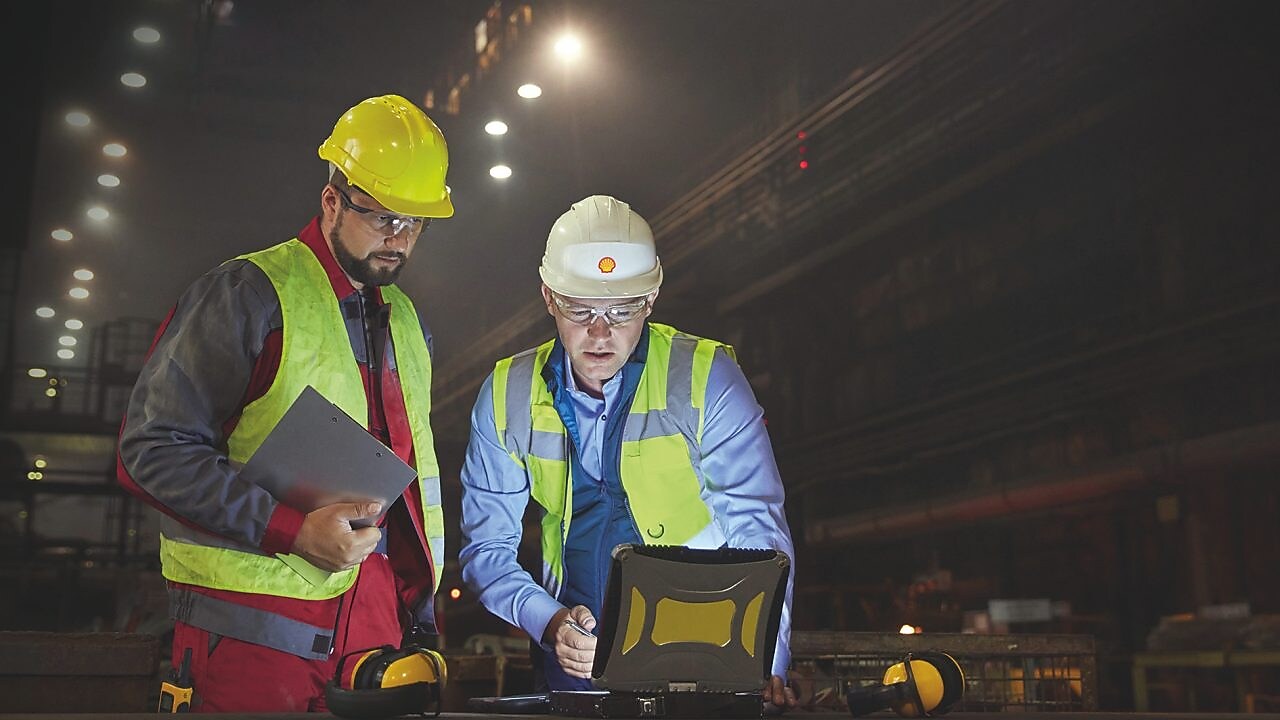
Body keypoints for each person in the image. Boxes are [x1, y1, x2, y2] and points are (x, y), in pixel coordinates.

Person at [116, 94, 453, 712]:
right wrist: (290, 531)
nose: (399, 240)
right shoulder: (246, 295)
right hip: (251, 632)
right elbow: (152, 450)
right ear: (332, 200)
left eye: (415, 224)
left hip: (375, 628)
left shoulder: (408, 322)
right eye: (383, 218)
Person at [458, 194, 798, 711]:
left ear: (652, 298)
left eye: (622, 309)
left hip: (702, 658)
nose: (601, 332)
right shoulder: (506, 396)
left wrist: (762, 663)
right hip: (574, 660)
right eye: (579, 308)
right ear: (548, 296)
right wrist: (548, 622)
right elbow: (487, 550)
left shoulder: (706, 379)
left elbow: (760, 534)